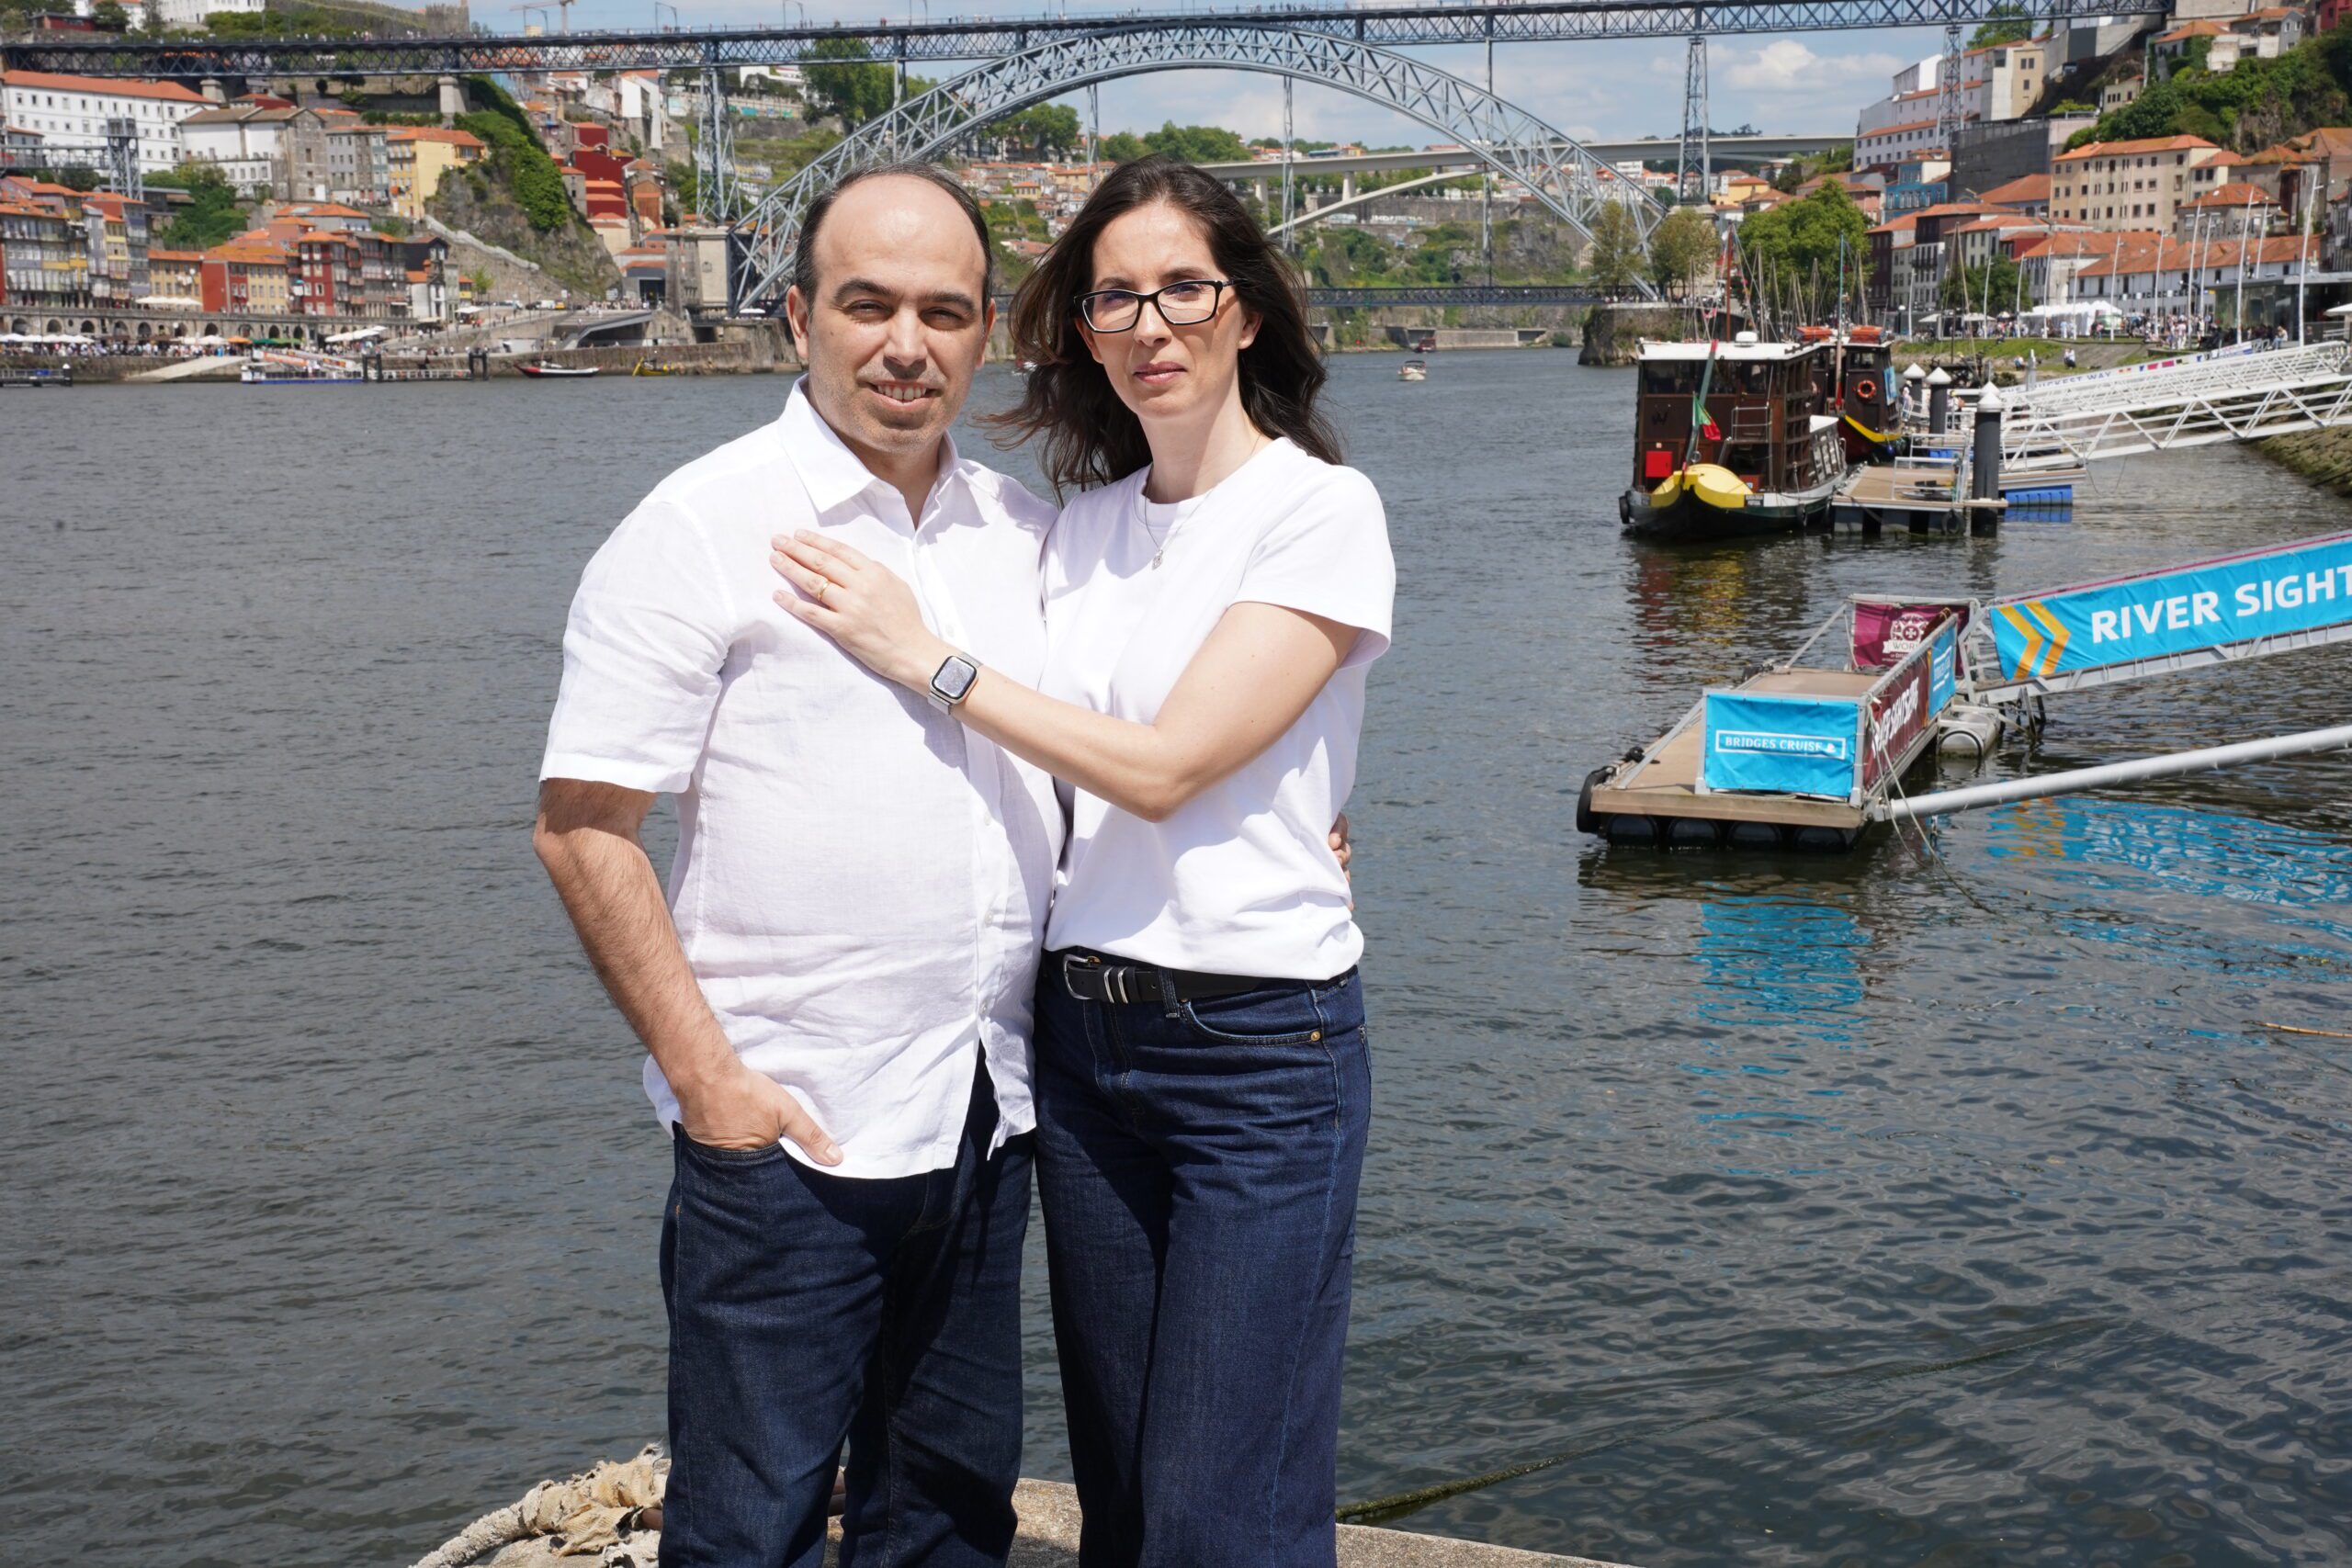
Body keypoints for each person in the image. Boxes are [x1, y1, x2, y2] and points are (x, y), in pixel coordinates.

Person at [772, 155, 1395, 1568]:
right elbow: (1049, 770)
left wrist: (925, 656)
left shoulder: (1319, 512)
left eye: (1184, 289)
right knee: (1123, 1500)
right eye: (1116, 298)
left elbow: (1166, 767)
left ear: (1246, 312)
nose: (1150, 324)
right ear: (1086, 332)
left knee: (1216, 1517)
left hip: (1256, 1053)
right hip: (1085, 1046)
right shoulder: (1077, 532)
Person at [534, 164, 1061, 1568]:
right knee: (748, 1527)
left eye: (944, 311)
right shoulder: (699, 526)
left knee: (948, 1513)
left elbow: (1106, 750)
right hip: (790, 1135)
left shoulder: (1023, 536)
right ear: (797, 317)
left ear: (988, 331)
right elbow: (583, 826)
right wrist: (711, 1087)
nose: (907, 345)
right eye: (868, 304)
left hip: (984, 1111)